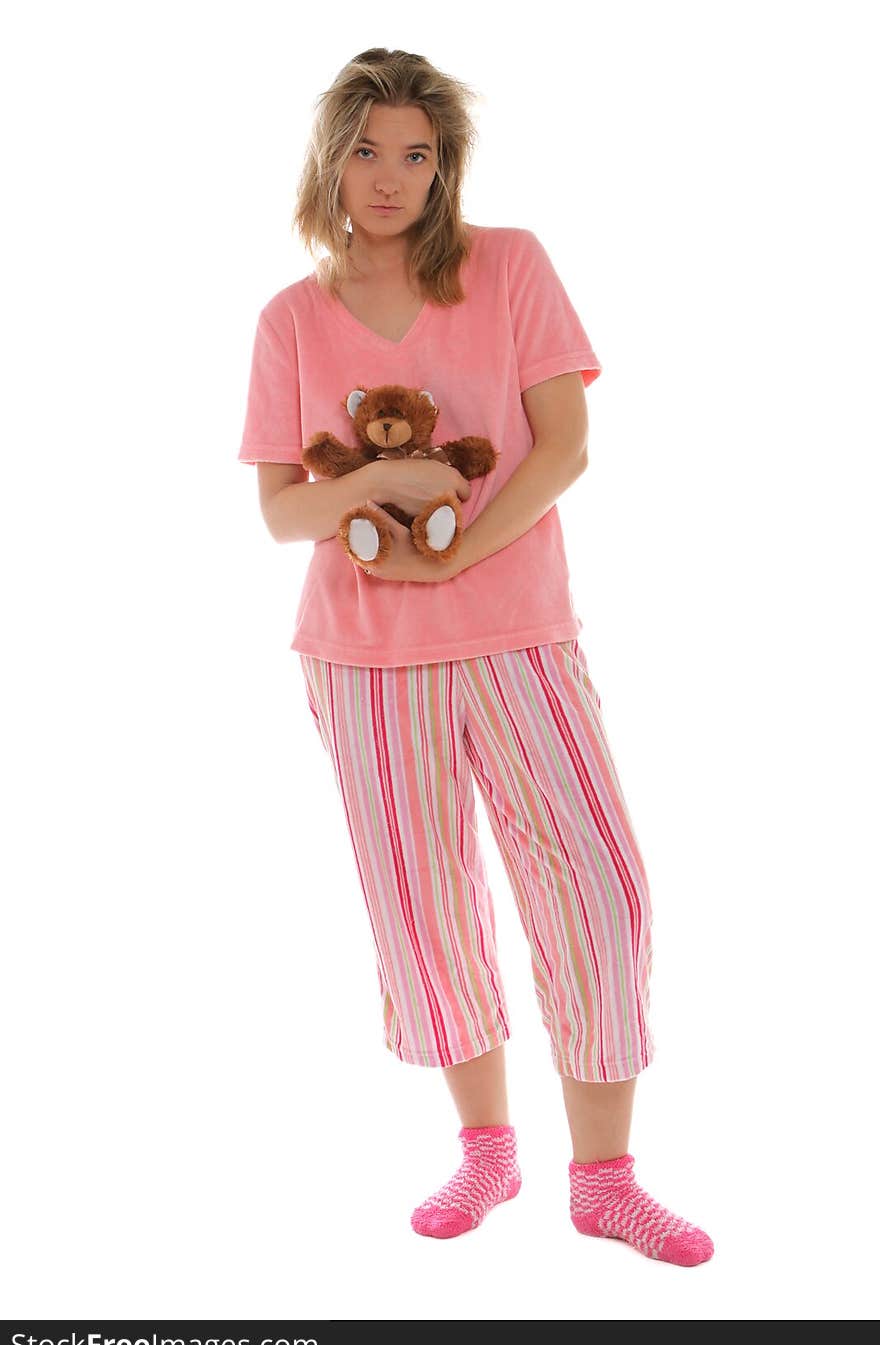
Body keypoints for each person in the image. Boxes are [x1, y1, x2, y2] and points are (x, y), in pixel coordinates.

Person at [237, 48, 713, 1267]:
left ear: (445, 169)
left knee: (600, 886)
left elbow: (564, 446)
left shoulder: (508, 265)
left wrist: (456, 552)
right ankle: (487, 1150)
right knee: (422, 904)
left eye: (417, 154)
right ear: (329, 158)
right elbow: (285, 511)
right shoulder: (291, 318)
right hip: (360, 656)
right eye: (367, 149)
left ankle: (603, 1179)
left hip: (517, 630)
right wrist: (386, 479)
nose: (390, 177)